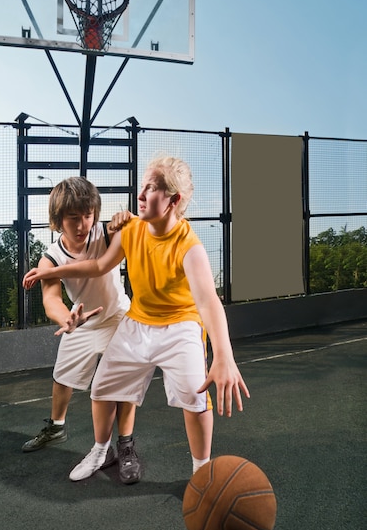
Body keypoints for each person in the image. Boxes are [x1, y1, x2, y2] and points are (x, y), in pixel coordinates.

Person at [23, 156, 250, 482]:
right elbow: (98, 266)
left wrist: (224, 356)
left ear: (175, 200)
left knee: (194, 395)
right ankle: (102, 451)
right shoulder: (131, 229)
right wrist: (54, 272)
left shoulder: (190, 247)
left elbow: (208, 302)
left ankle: (201, 471)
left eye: (152, 188)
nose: (141, 193)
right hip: (138, 321)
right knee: (101, 389)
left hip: (180, 325)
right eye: (142, 186)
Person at [22, 176, 141, 485]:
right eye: (74, 218)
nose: (83, 224)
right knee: (62, 378)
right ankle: (57, 427)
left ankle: (125, 446)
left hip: (117, 316)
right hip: (82, 321)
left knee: (120, 383)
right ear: (57, 220)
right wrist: (67, 319)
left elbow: (116, 244)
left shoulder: (105, 232)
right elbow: (51, 300)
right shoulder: (50, 257)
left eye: (88, 215)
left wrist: (126, 218)